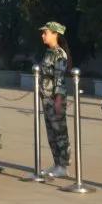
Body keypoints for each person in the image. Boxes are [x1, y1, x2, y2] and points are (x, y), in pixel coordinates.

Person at [39, 21, 71, 178]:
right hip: (46, 98)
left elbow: (60, 80)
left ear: (55, 34)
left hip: (55, 99)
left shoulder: (59, 54)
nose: (43, 35)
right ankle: (56, 163)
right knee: (51, 133)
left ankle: (64, 165)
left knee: (60, 133)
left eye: (46, 33)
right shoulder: (48, 52)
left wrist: (58, 100)